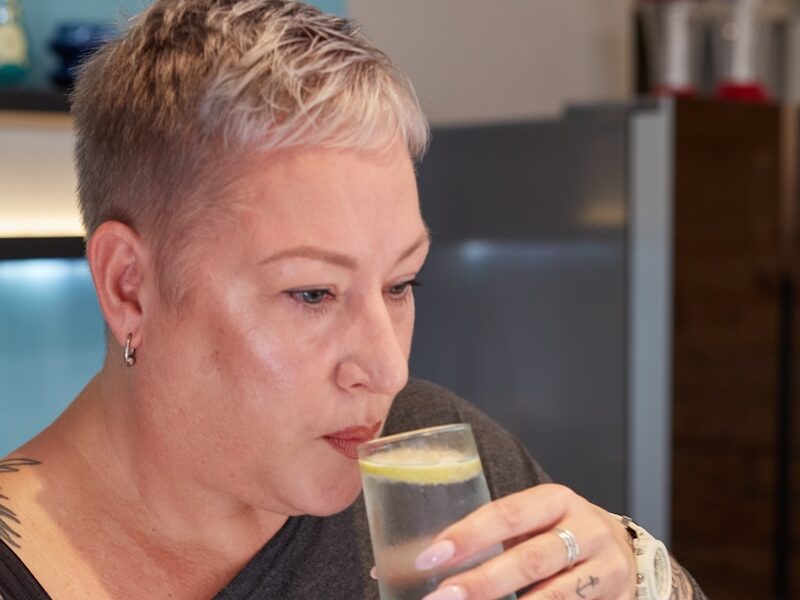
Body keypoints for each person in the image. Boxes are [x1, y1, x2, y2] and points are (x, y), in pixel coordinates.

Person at [0, 1, 706, 598]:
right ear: (130, 286)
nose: (387, 370)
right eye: (312, 293)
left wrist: (640, 573)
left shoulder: (433, 458)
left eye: (401, 284)